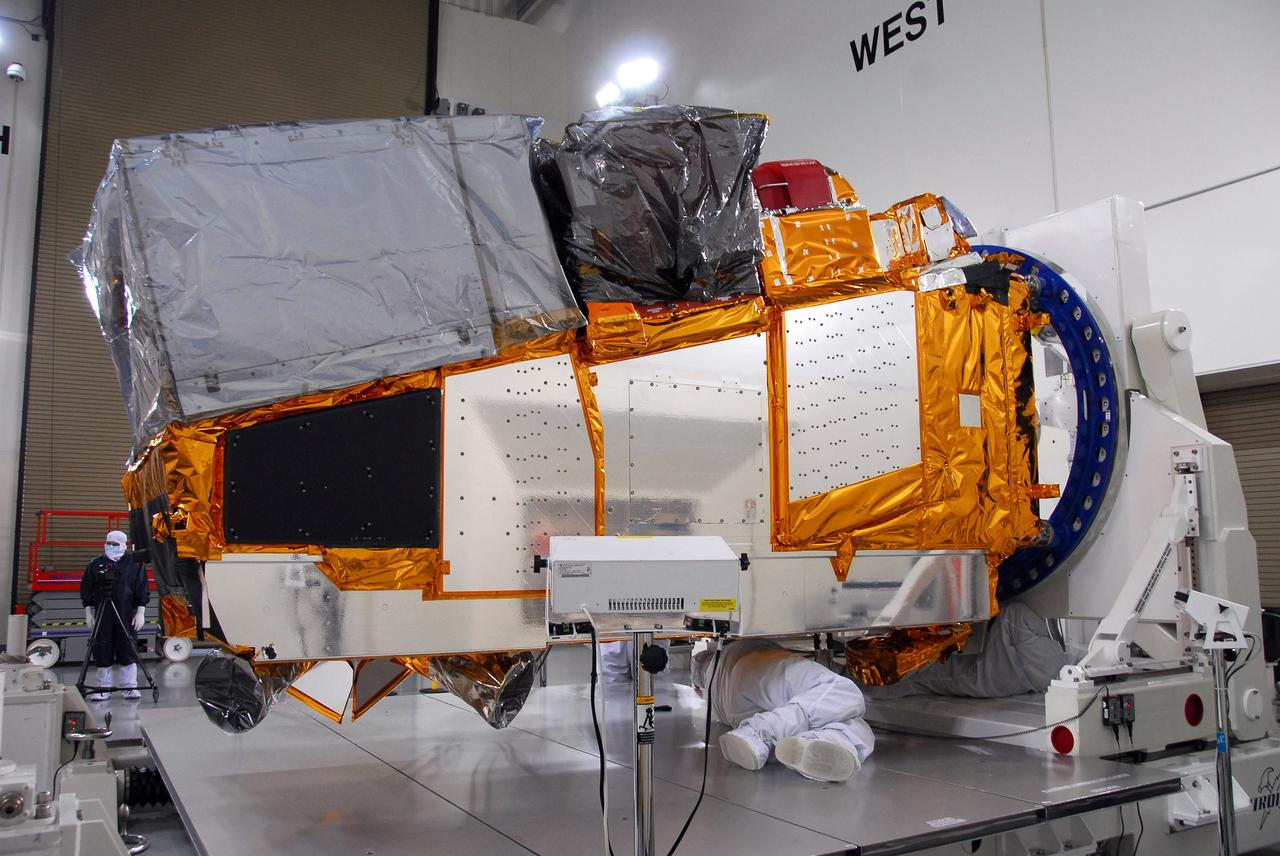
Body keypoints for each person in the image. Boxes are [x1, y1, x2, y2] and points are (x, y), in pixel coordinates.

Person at [691, 638, 874, 783]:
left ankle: (822, 742)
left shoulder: (710, 698)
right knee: (842, 692)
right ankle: (756, 733)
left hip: (733, 709)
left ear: (697, 686)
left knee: (856, 726)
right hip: (748, 664)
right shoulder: (725, 653)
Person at [859, 602, 1074, 700]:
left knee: (925, 676)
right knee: (926, 676)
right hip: (1017, 666)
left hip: (996, 669)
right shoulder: (1057, 655)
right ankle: (864, 682)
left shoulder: (1021, 621)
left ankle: (863, 683)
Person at [80, 530, 149, 701]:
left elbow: (142, 588)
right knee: (102, 647)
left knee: (127, 647)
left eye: (115, 544)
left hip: (126, 613)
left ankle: (129, 687)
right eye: (108, 543)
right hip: (103, 612)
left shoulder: (134, 564)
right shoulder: (96, 564)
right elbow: (87, 589)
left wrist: (141, 611)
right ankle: (104, 687)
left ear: (124, 545)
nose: (110, 546)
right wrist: (88, 612)